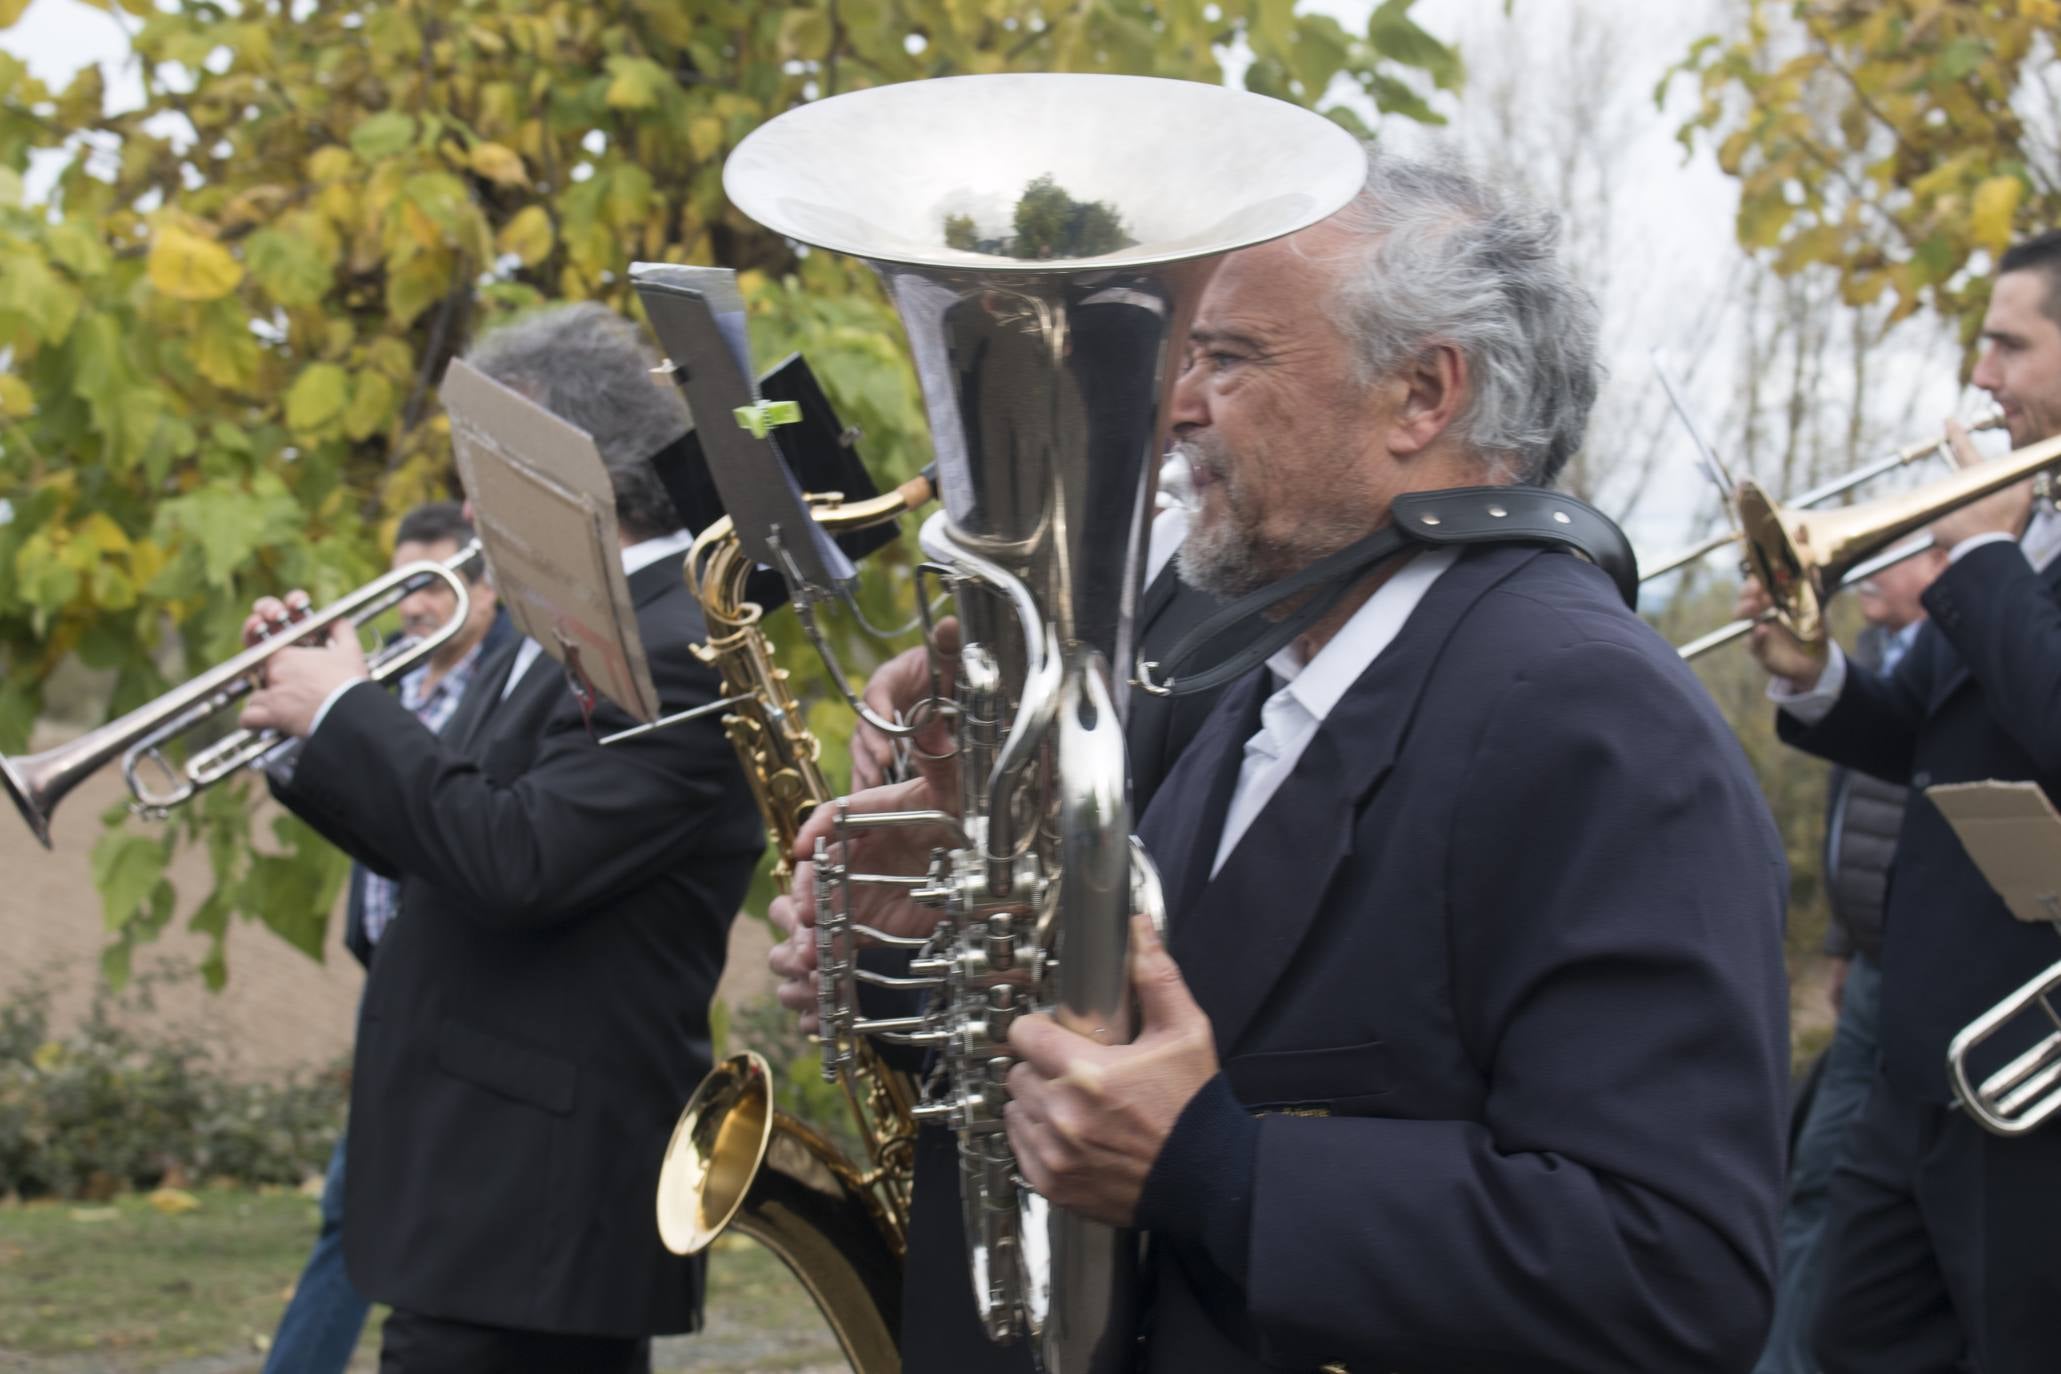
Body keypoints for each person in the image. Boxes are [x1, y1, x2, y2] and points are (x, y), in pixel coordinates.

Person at [772, 148, 1791, 1372]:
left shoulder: (1594, 714)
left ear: (1423, 395)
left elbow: (1675, 1274)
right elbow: (1129, 1069)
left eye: (1228, 359)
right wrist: (916, 955)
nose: (1177, 408)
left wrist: (1220, 1167)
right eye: (1189, 359)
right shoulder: (1270, 671)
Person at [242, 303, 763, 1373]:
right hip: (482, 1178)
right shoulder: (565, 615)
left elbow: (515, 858)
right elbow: (446, 829)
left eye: (487, 462)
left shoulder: (671, 645)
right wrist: (306, 734)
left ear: (570, 463)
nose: (470, 501)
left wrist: (349, 712)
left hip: (540, 1195)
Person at [839, 454, 1266, 1373]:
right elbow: (1001, 935)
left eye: (1224, 355)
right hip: (993, 1196)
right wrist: (891, 950)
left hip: (1127, 1253)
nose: (1190, 398)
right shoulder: (1018, 600)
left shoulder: (1252, 596)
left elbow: (1191, 942)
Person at [1740, 230, 2061, 1374]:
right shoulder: (2032, 536)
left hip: (2031, 1086)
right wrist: (1811, 674)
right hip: (1921, 1064)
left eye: (2009, 347)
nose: (1982, 377)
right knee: (1857, 1334)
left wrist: (1979, 564)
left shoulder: (2004, 551)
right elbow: (1919, 730)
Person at [261, 501, 512, 1374]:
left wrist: (342, 707)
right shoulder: (397, 688)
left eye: (429, 583)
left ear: (484, 595)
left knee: (360, 1203)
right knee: (356, 1205)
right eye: (402, 584)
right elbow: (369, 818)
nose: (412, 607)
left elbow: (450, 817)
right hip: (397, 979)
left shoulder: (500, 686)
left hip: (471, 986)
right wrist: (291, 710)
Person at [1751, 549, 1941, 1374]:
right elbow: (1854, 799)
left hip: (1932, 972)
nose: (1873, 574)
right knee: (1818, 1177)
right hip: (1873, 966)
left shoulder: (1982, 626)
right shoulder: (1885, 656)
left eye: (1916, 553)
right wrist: (1837, 939)